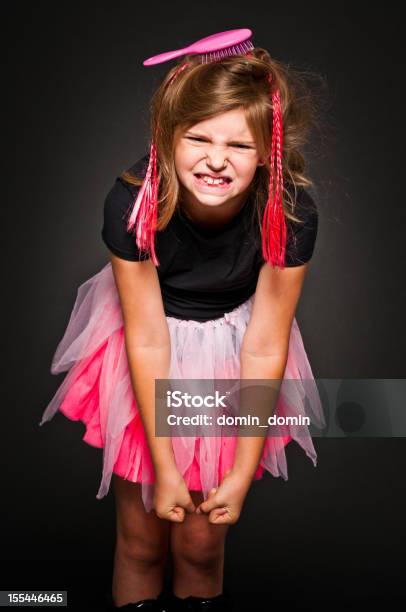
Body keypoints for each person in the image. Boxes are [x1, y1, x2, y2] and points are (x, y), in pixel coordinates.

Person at [39, 33, 326, 612]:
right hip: (150, 352)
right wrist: (164, 467)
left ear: (267, 152)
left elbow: (266, 345)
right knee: (143, 540)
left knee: (199, 545)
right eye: (197, 137)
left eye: (238, 146)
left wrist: (243, 472)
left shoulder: (289, 212)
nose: (216, 159)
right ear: (167, 137)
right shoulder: (133, 201)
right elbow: (145, 336)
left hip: (233, 361)